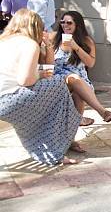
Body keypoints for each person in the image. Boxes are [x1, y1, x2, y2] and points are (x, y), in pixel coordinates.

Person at [0, 9, 83, 165]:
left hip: (4, 100)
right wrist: (39, 75)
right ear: (34, 27)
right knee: (59, 83)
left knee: (53, 91)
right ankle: (56, 147)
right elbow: (26, 80)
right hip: (10, 102)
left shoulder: (3, 41)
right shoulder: (30, 44)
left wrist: (47, 48)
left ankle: (51, 145)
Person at [47, 11, 111, 126]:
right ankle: (102, 111)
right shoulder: (54, 37)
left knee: (78, 94)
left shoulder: (86, 41)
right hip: (58, 78)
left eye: (69, 23)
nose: (65, 25)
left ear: (77, 25)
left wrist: (76, 47)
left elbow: (90, 63)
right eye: (62, 22)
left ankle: (73, 134)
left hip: (81, 81)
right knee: (74, 79)